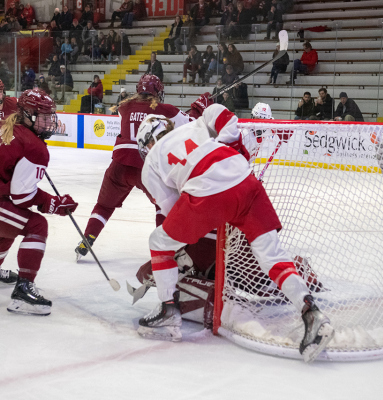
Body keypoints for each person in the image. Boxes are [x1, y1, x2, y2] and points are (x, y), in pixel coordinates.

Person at [134, 105, 334, 362]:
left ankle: (168, 313)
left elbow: (172, 210)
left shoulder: (151, 161)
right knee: (271, 254)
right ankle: (312, 312)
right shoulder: (192, 127)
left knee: (159, 241)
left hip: (207, 193)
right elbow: (220, 112)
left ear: (146, 144)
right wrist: (231, 144)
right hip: (245, 178)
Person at [74, 74, 213, 260]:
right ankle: (165, 250)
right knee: (162, 205)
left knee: (104, 205)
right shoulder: (165, 109)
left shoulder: (123, 106)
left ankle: (87, 239)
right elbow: (192, 124)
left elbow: (139, 113)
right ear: (158, 92)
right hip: (145, 166)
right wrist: (198, 107)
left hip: (119, 165)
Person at [0, 89, 78, 314]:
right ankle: (23, 291)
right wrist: (53, 203)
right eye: (43, 116)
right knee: (36, 225)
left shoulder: (9, 127)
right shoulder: (34, 147)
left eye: (48, 116)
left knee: (11, 225)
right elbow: (22, 197)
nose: (48, 122)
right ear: (26, 114)